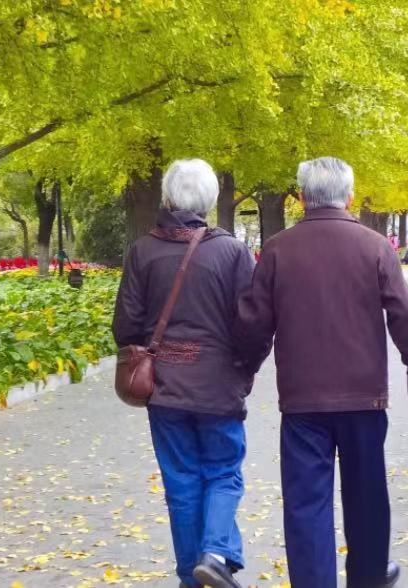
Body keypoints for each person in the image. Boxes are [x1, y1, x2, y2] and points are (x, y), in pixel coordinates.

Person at [236, 157, 408, 588]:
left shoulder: (277, 250)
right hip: (364, 397)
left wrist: (244, 372)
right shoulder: (374, 246)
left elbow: (254, 325)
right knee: (367, 495)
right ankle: (368, 577)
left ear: (301, 197)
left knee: (306, 504)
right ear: (349, 196)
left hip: (302, 401)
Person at [112, 159, 256, 588]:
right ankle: (216, 554)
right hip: (218, 386)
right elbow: (252, 325)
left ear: (168, 198)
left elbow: (125, 326)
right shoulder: (232, 252)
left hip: (165, 388)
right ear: (210, 199)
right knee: (223, 472)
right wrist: (243, 372)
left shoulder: (143, 251)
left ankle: (191, 577)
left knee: (181, 483)